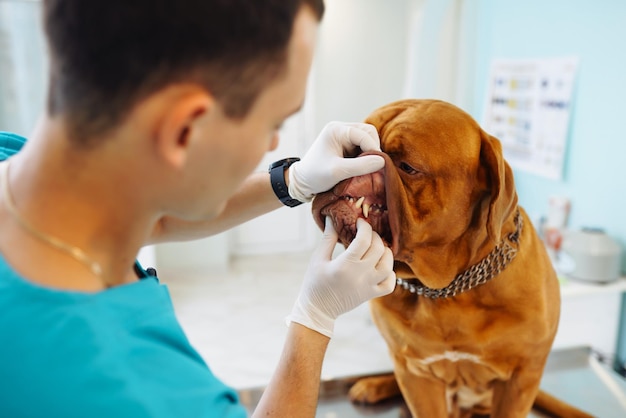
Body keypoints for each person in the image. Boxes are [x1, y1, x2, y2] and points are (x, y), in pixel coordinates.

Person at [0, 1, 396, 417]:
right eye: (273, 124)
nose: (273, 146)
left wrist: (291, 181)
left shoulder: (26, 167)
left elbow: (149, 212)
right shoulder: (135, 395)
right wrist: (314, 320)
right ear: (186, 130)